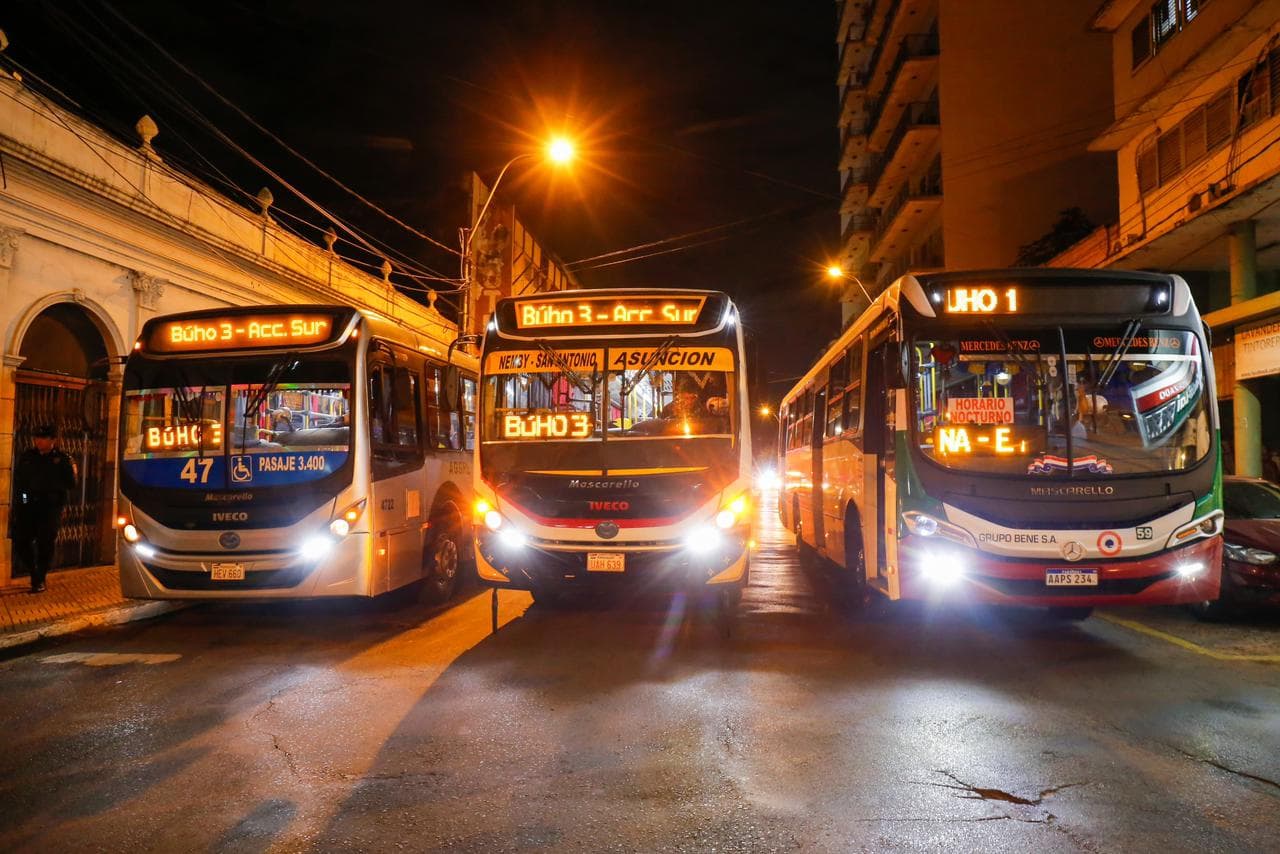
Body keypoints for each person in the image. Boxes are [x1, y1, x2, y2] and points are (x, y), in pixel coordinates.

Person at [10, 424, 77, 593]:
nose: (39, 441)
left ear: (52, 440)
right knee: (21, 541)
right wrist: (23, 502)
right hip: (28, 507)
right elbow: (20, 484)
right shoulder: (27, 457)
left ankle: (39, 578)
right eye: (37, 438)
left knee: (45, 543)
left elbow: (71, 483)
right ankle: (34, 571)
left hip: (50, 508)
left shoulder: (62, 459)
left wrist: (56, 498)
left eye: (43, 438)